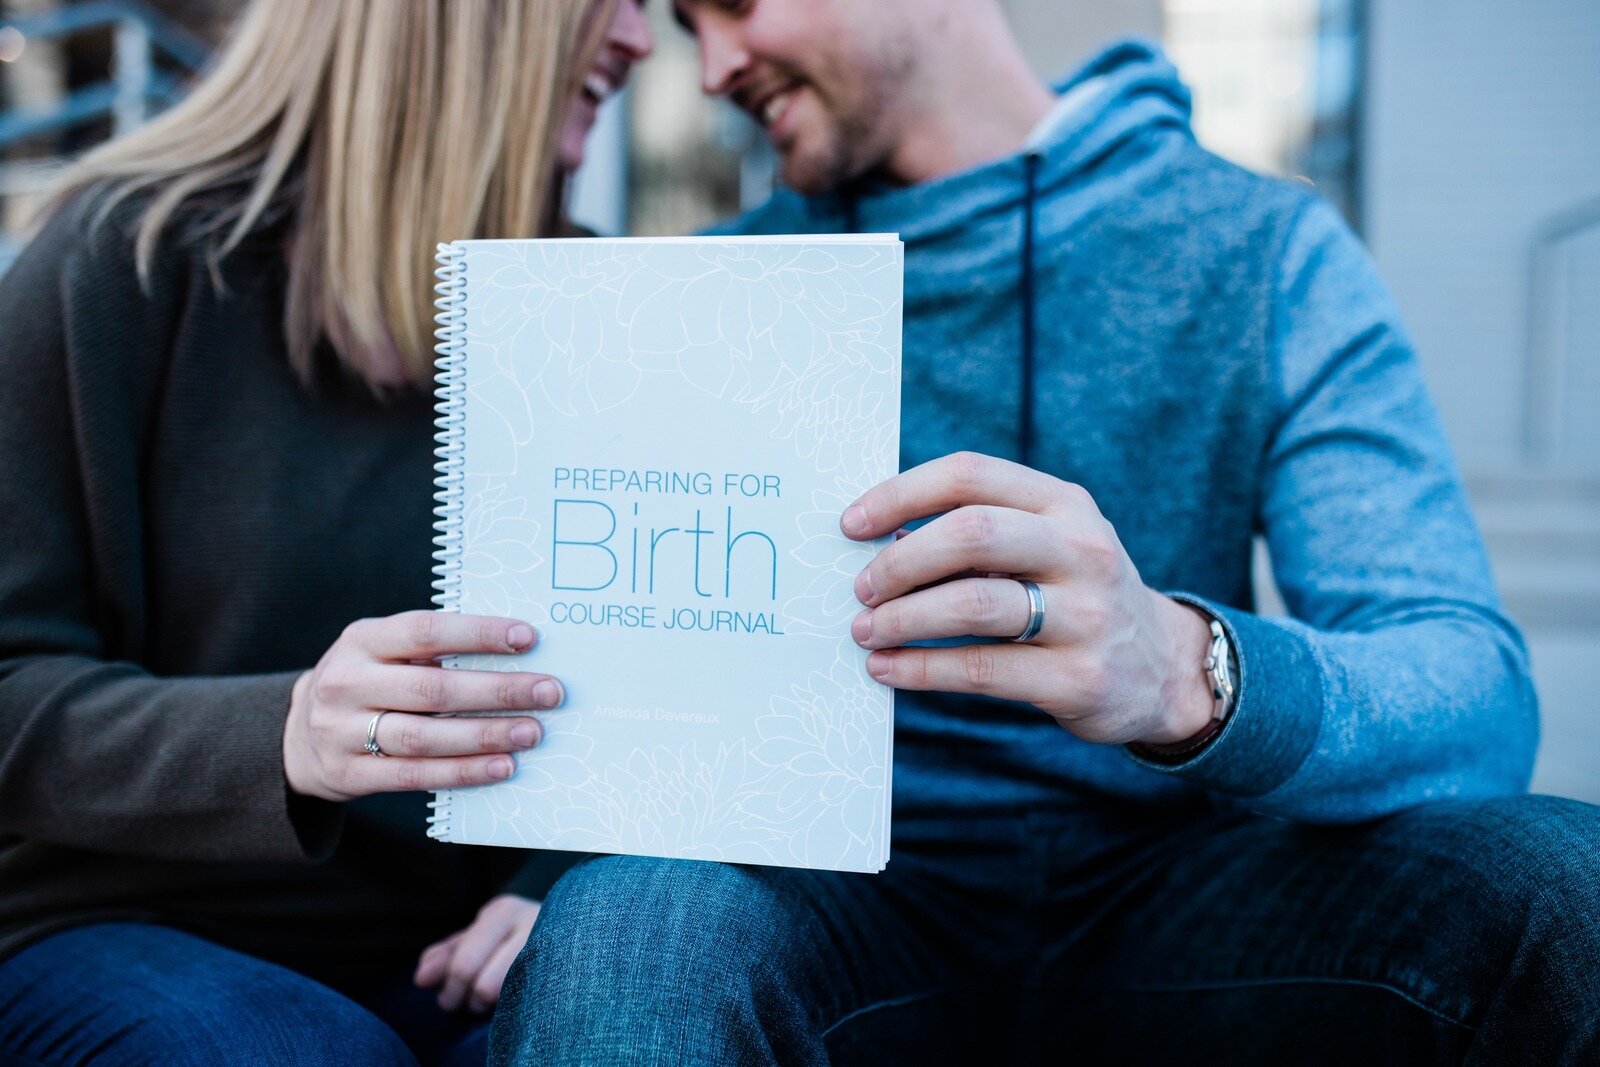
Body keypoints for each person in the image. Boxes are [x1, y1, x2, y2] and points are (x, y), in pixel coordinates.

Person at [489, 1, 1600, 1063]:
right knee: (625, 930)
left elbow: (1476, 700)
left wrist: (1186, 670)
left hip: (1197, 894)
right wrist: (567, 863)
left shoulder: (1264, 248)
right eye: (690, 26)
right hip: (834, 905)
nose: (714, 67)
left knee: (1565, 877)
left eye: (735, 2)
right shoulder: (714, 286)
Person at [0, 1, 652, 1064]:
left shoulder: (592, 307)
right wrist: (285, 735)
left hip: (444, 952)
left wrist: (557, 882)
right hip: (103, 926)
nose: (639, 40)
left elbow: (650, 683)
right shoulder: (126, 255)